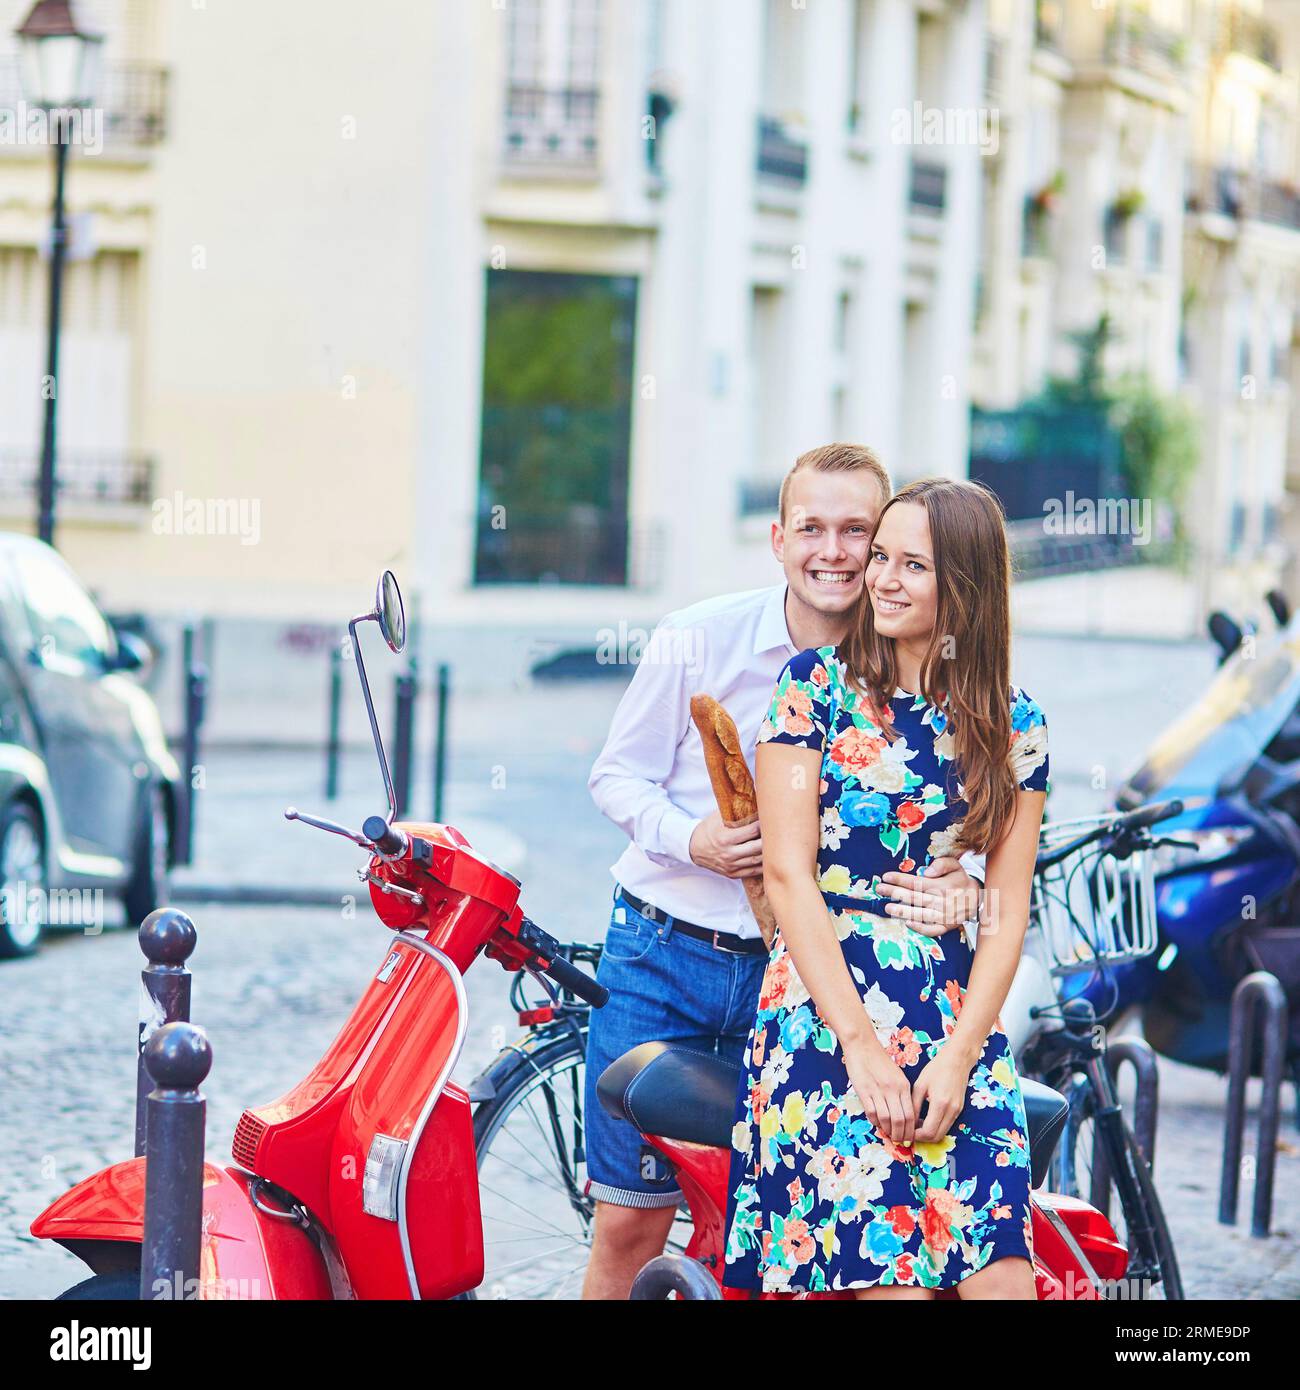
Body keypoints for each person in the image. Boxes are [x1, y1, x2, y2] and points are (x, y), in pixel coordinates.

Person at [581, 445, 986, 1300]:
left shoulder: (916, 669)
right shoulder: (701, 639)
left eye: (858, 532)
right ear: (776, 539)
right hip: (665, 954)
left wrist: (968, 881)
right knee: (629, 1221)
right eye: (812, 528)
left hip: (809, 981)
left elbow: (952, 807)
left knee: (781, 1228)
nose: (833, 552)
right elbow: (616, 775)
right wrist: (692, 838)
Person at [722, 476, 1049, 1299]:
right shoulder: (813, 690)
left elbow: (1009, 911)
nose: (882, 579)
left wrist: (962, 1057)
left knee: (1004, 1284)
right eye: (882, 557)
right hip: (825, 1012)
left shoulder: (1017, 725)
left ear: (966, 588)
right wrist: (864, 1050)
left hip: (951, 1016)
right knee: (891, 1286)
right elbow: (790, 878)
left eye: (914, 565)